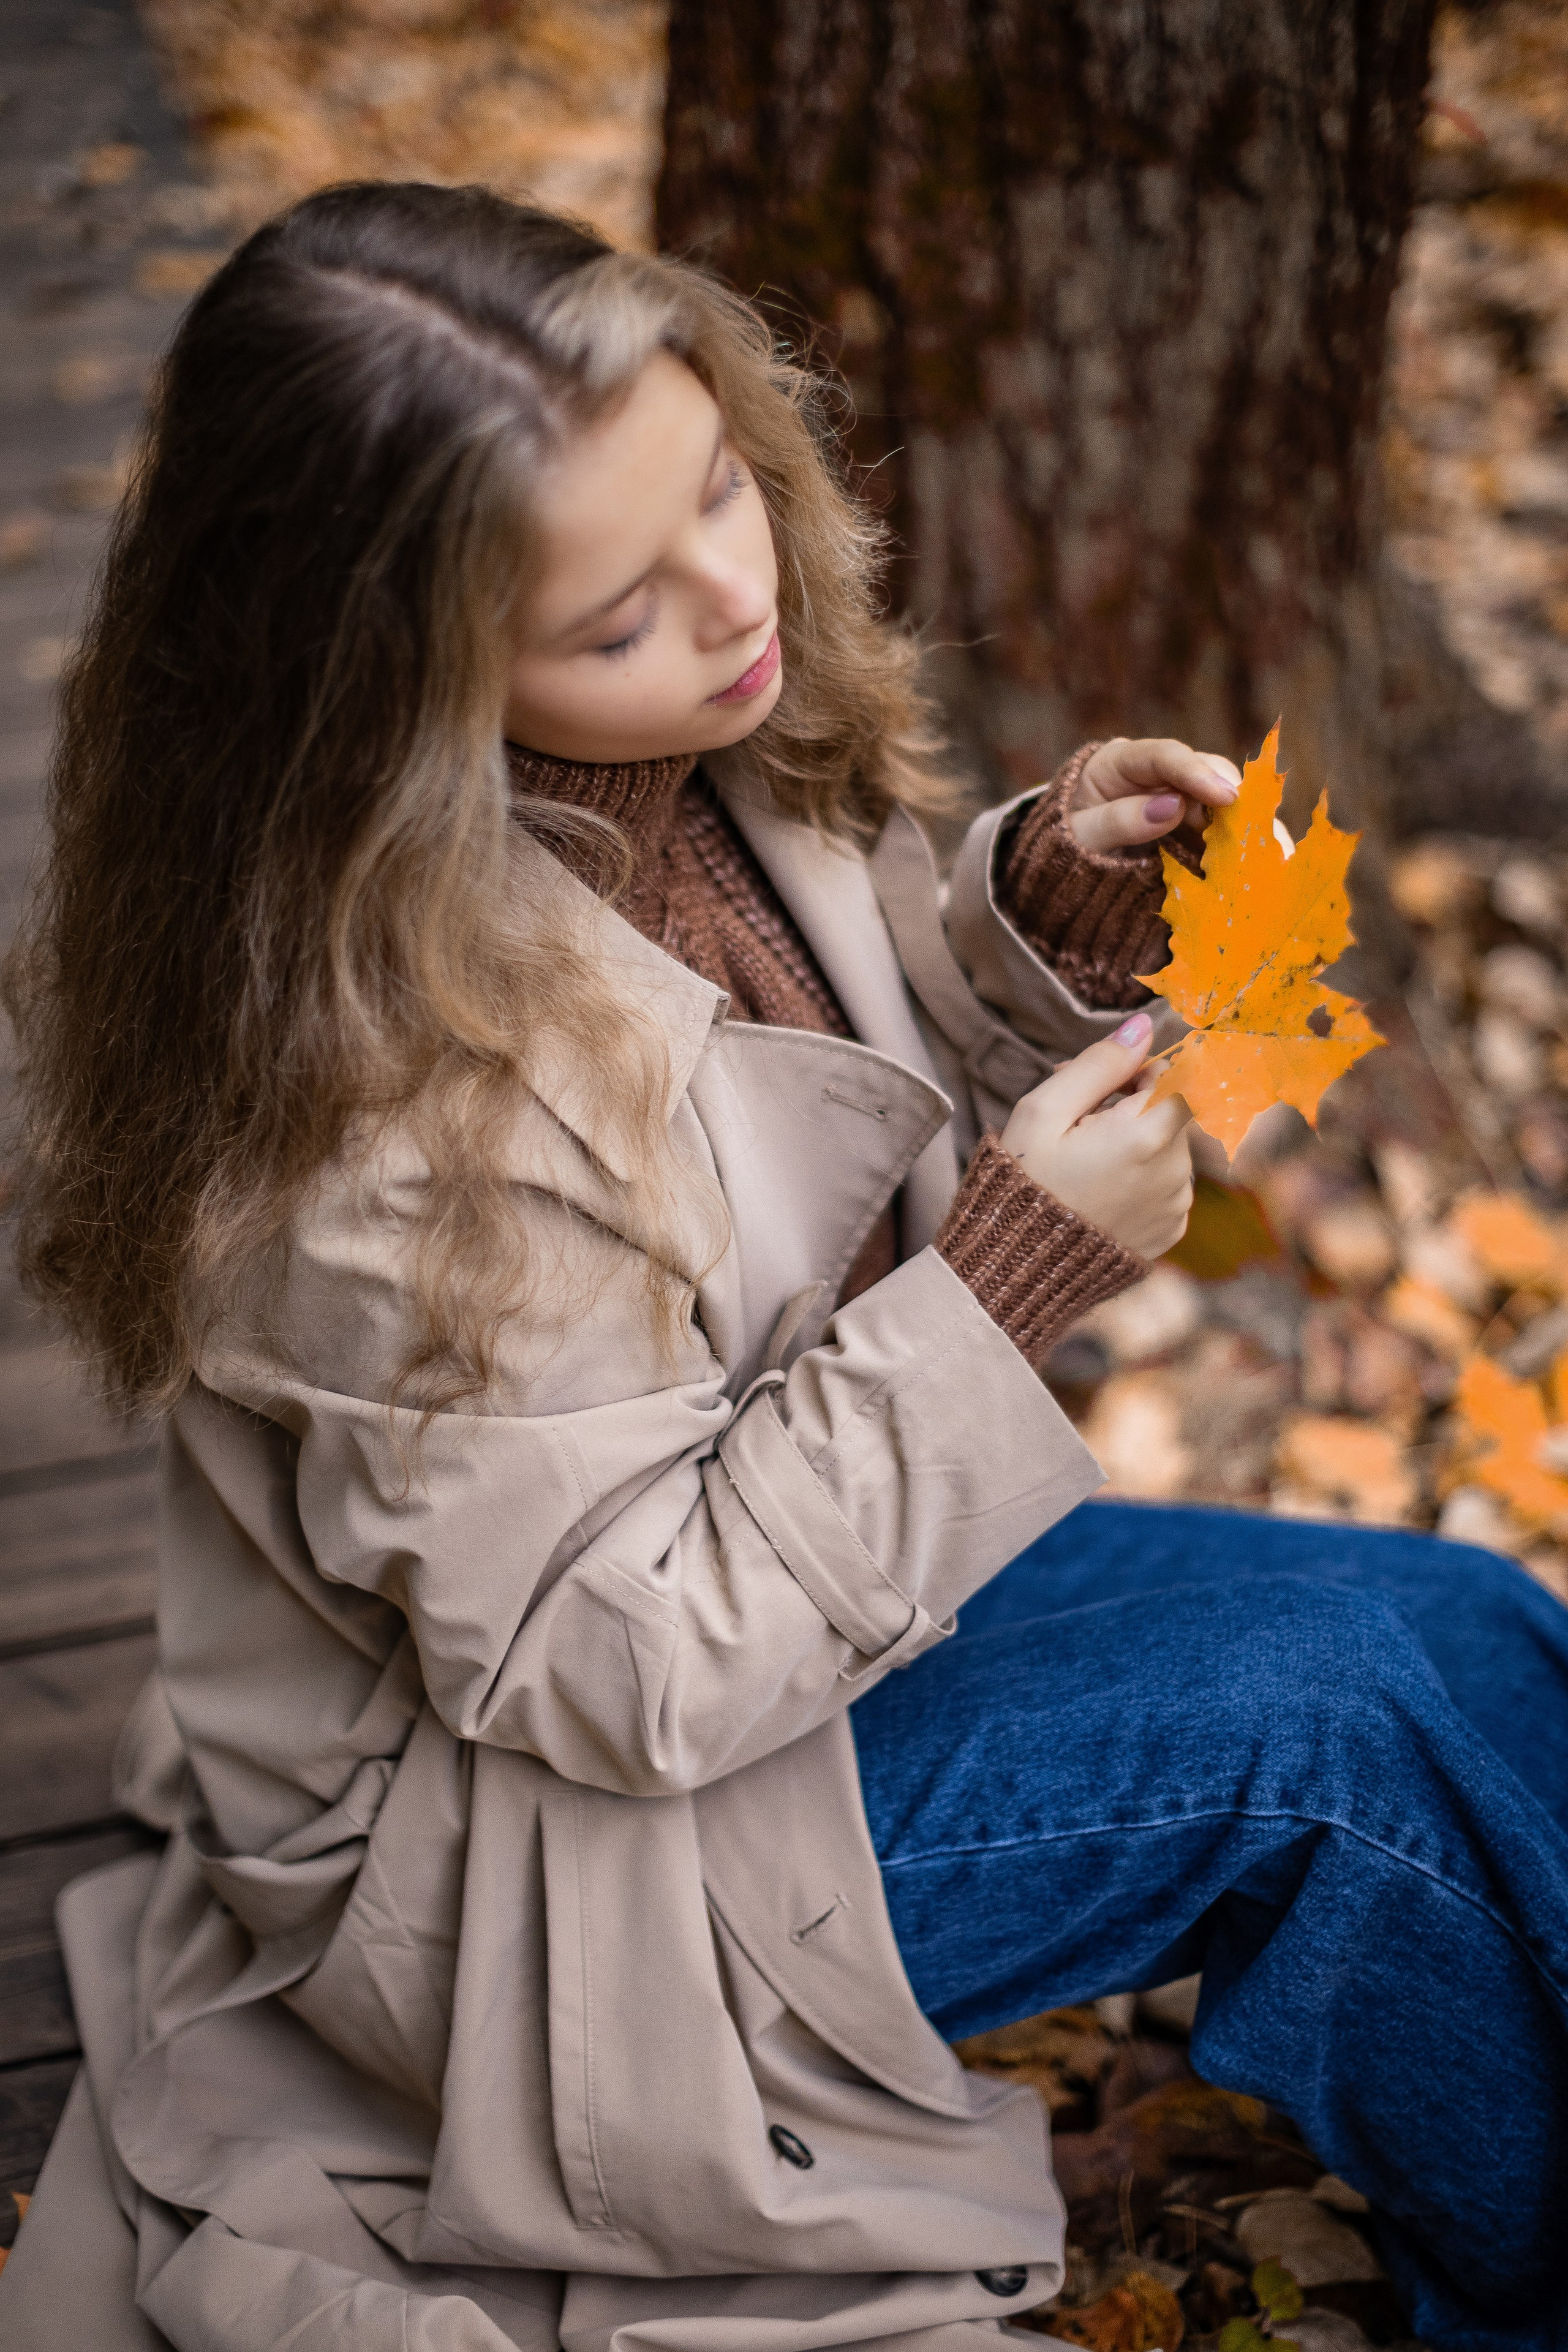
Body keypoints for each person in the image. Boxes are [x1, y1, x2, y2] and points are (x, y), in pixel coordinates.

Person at [1, 181, 1565, 2352]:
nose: (739, 599)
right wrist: (1002, 1289)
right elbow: (616, 1674)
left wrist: (1037, 919)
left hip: (803, 1578)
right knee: (1348, 1741)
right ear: (403, 683)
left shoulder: (681, 747)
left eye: (723, 486)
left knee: (1474, 1624)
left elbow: (792, 1101)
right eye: (619, 608)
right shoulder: (387, 1102)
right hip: (560, 1859)